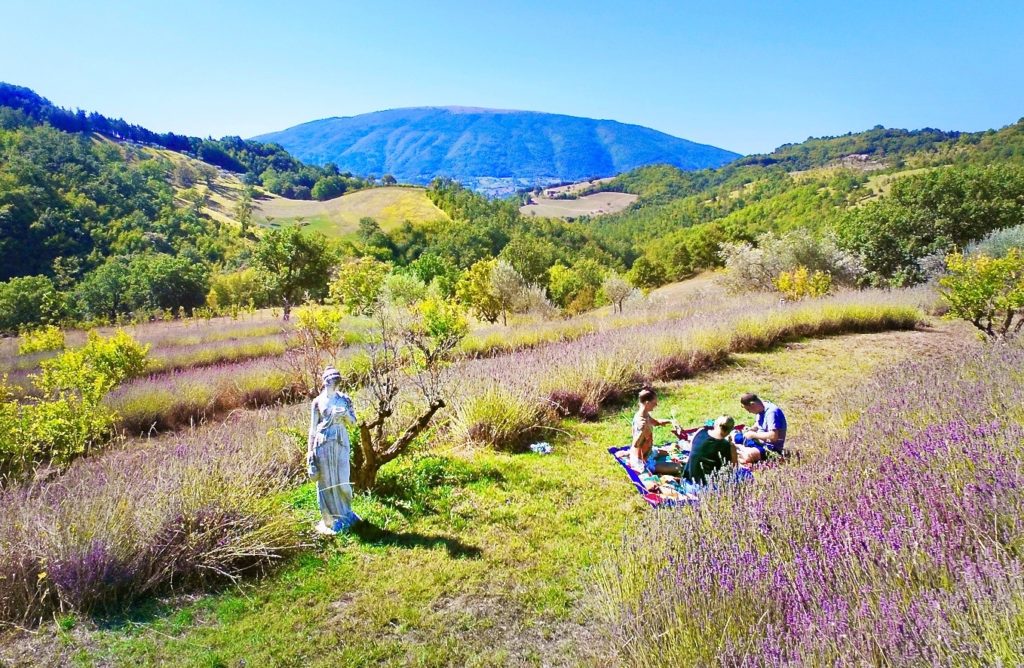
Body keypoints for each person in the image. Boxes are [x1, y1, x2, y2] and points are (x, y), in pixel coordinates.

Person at [307, 366, 360, 534]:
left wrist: (345, 414)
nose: (335, 384)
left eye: (337, 381)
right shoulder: (317, 402)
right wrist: (309, 453)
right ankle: (331, 519)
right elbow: (312, 430)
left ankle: (346, 513)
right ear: (325, 381)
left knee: (343, 482)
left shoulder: (344, 399)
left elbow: (353, 423)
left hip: (340, 441)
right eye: (332, 381)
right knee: (327, 483)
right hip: (323, 442)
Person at [628, 388, 681, 475]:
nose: (656, 405)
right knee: (678, 468)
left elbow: (656, 422)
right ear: (647, 403)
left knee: (672, 452)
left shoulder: (645, 415)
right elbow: (636, 444)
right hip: (642, 462)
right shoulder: (640, 422)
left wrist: (670, 421)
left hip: (650, 453)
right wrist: (643, 430)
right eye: (654, 403)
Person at [682, 415, 738, 485]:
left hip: (687, 482)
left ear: (715, 424)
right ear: (730, 430)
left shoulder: (700, 432)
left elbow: (692, 449)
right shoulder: (729, 446)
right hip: (709, 488)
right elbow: (734, 469)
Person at [735, 393, 787, 464]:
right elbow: (759, 424)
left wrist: (753, 435)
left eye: (748, 409)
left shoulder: (771, 413)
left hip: (770, 448)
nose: (749, 412)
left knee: (748, 456)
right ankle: (741, 449)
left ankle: (740, 449)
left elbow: (773, 436)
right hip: (758, 441)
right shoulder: (761, 409)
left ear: (753, 405)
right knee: (734, 436)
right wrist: (751, 429)